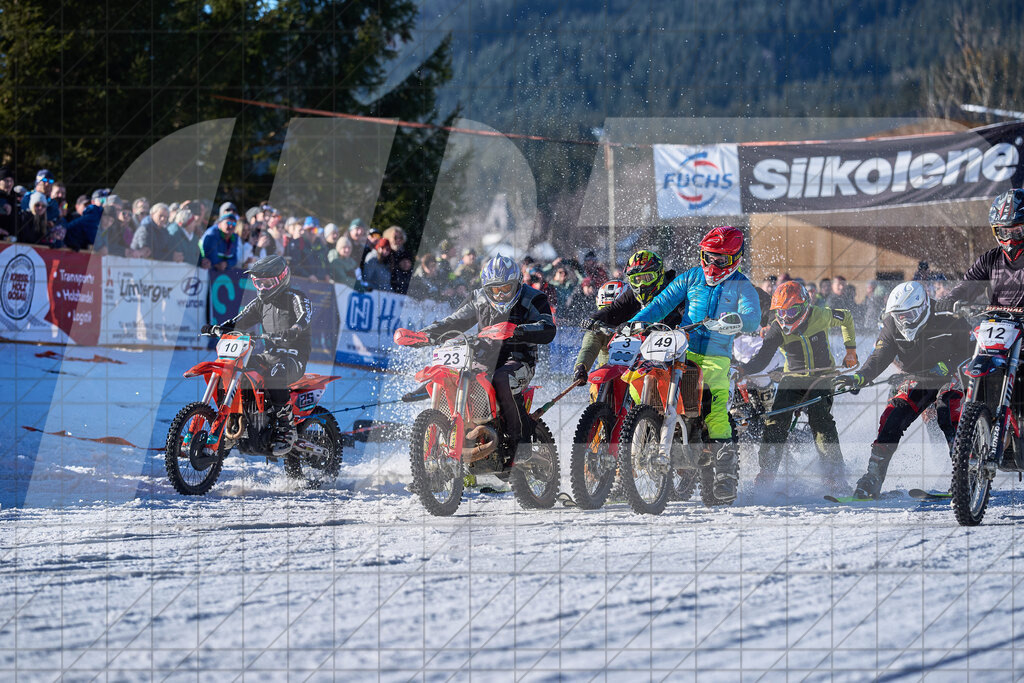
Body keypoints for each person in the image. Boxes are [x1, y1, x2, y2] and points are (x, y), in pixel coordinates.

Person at [625, 226, 762, 503]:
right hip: (681, 347)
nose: (712, 264)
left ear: (735, 258)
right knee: (644, 377)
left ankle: (725, 474)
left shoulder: (742, 285)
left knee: (713, 402)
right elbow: (662, 302)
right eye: (708, 257)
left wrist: (736, 320)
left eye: (720, 260)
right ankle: (643, 430)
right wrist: (636, 321)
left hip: (715, 355)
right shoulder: (691, 277)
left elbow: (753, 317)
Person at [833, 281, 973, 499]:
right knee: (892, 417)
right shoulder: (890, 324)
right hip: (917, 378)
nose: (904, 320)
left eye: (909, 314)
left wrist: (948, 365)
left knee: (948, 413)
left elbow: (971, 349)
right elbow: (879, 358)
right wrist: (861, 376)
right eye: (900, 315)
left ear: (924, 307)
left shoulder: (948, 315)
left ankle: (964, 475)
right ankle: (873, 477)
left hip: (951, 374)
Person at [414, 255, 556, 460]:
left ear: (516, 284)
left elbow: (548, 328)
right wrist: (425, 334)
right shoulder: (478, 298)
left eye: (505, 289)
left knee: (501, 378)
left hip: (520, 358)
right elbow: (454, 322)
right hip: (484, 356)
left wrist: (517, 330)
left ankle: (520, 443)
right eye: (494, 290)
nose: (500, 295)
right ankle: (433, 457)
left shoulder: (533, 298)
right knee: (456, 375)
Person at [736, 281, 858, 492]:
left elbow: (846, 317)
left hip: (823, 376)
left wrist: (850, 350)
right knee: (776, 419)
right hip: (793, 378)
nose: (786, 317)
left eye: (791, 310)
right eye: (781, 311)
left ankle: (835, 477)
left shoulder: (821, 315)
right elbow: (763, 358)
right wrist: (745, 370)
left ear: (804, 306)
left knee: (821, 421)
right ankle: (767, 473)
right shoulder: (776, 329)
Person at [202, 255, 313, 456]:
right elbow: (238, 321)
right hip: (269, 354)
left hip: (293, 356)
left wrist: (295, 329)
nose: (262, 288)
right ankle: (233, 422)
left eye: (267, 283)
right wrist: (218, 328)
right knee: (237, 370)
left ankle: (286, 427)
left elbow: (305, 316)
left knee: (275, 374)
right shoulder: (259, 303)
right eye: (258, 283)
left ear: (282, 278)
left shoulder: (295, 297)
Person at [572, 251, 679, 382]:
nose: (641, 285)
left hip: (675, 346)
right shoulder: (632, 295)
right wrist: (594, 318)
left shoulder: (675, 290)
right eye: (636, 279)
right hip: (638, 351)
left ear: (659, 274)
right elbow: (615, 308)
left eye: (647, 278)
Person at [942, 189, 1024, 308]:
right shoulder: (990, 259)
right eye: (1005, 232)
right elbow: (968, 286)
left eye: (1017, 231)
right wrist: (951, 299)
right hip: (995, 321)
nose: (1011, 238)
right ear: (996, 231)